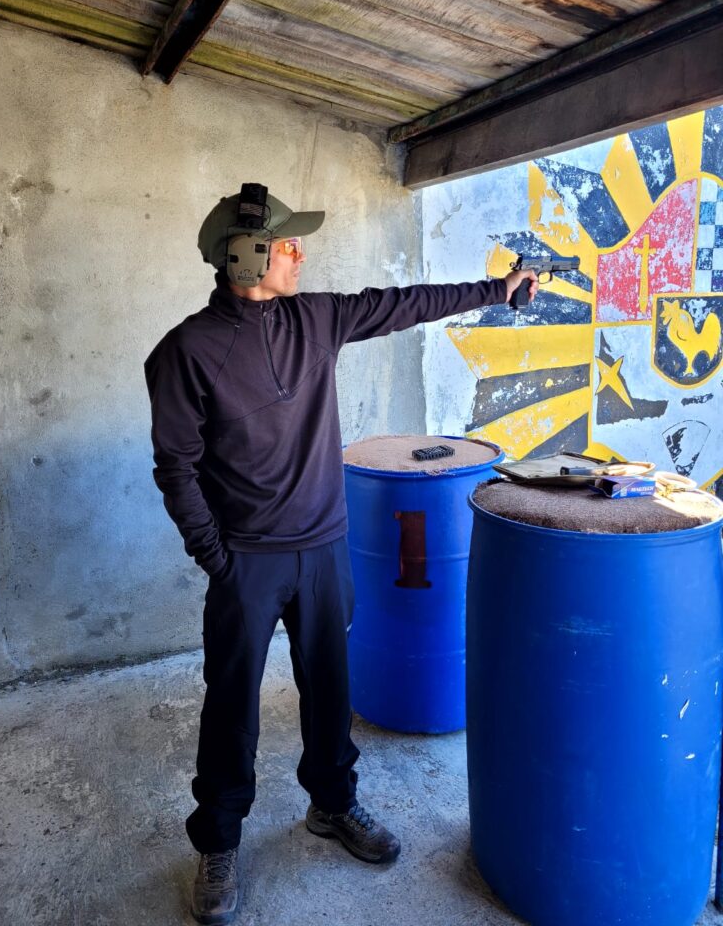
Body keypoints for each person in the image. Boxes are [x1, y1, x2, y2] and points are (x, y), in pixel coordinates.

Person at [144, 186, 539, 925]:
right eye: (287, 244)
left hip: (325, 548)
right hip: (247, 562)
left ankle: (332, 804)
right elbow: (176, 467)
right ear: (245, 254)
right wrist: (217, 559)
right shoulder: (185, 353)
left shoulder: (316, 318)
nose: (300, 254)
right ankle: (219, 839)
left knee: (330, 687)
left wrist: (497, 289)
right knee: (232, 704)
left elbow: (403, 304)